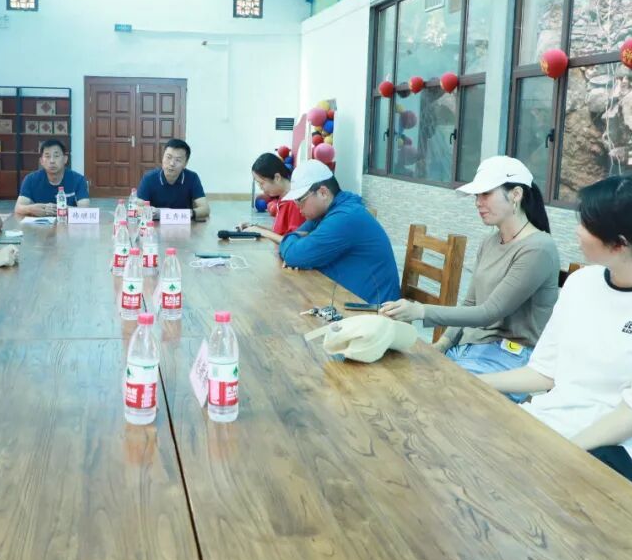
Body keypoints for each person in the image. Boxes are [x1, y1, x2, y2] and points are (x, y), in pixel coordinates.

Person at [480, 174, 632, 504]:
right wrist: (472, 383)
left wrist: (558, 451)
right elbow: (544, 372)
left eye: (585, 225)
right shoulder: (582, 283)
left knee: (525, 490)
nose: (577, 231)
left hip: (628, 450)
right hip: (557, 425)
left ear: (619, 243)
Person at [380, 156, 559, 392]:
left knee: (431, 395)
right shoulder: (490, 242)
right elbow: (470, 303)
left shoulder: (538, 249)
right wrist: (442, 344)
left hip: (508, 357)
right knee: (397, 379)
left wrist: (419, 311)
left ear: (516, 194)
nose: (478, 203)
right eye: (477, 196)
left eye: (486, 194)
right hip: (469, 348)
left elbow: (488, 313)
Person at [278, 159, 400, 304]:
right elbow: (296, 247)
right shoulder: (329, 211)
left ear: (323, 193)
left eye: (300, 200)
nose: (298, 207)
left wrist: (293, 245)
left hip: (372, 309)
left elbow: (293, 254)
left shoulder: (345, 217)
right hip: (347, 298)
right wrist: (295, 247)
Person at [236, 152, 306, 244]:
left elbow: (293, 241)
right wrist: (254, 227)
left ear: (277, 177)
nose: (261, 187)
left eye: (262, 183)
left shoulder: (294, 202)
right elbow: (280, 231)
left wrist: (261, 232)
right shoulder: (283, 198)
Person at [137, 139, 210, 221]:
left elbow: (205, 209)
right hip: (155, 224)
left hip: (183, 224)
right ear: (163, 157)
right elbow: (138, 208)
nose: (172, 163)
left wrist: (189, 213)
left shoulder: (192, 178)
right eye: (168, 157)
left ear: (185, 164)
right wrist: (150, 212)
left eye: (178, 160)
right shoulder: (149, 178)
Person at [15, 139, 91, 218]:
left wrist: (60, 209)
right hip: (39, 224)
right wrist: (31, 209)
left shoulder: (78, 180)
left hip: (68, 222)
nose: (52, 161)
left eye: (56, 156)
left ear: (65, 159)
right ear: (41, 161)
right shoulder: (30, 179)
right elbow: (18, 208)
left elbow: (85, 210)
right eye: (47, 156)